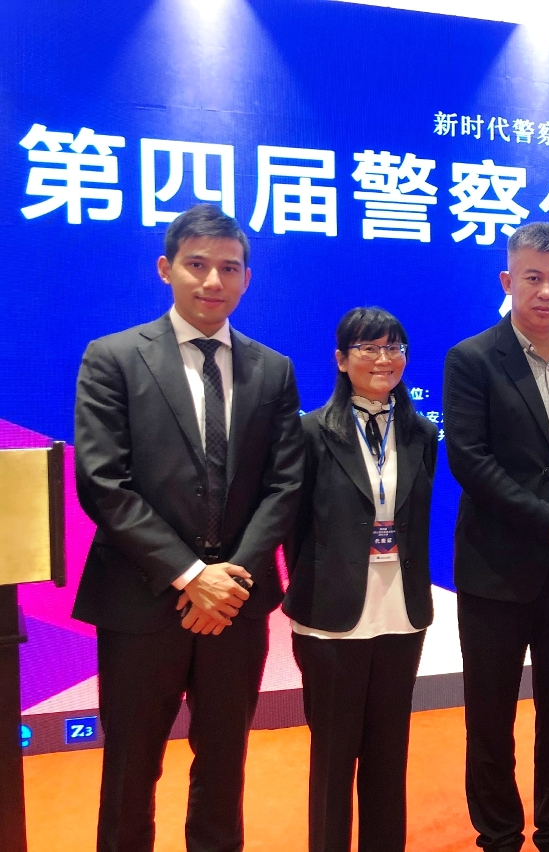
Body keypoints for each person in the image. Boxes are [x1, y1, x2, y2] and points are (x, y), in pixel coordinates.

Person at [72, 203, 304, 852]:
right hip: (142, 600)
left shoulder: (273, 369)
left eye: (229, 268)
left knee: (224, 766)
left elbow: (285, 486)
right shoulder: (113, 358)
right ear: (165, 268)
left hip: (235, 605)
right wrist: (190, 575)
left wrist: (228, 582)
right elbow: (102, 482)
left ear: (247, 278)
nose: (212, 281)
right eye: (196, 264)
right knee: (130, 769)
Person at [443, 222, 549, 852]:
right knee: (490, 716)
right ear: (508, 280)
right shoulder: (472, 358)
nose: (546, 292)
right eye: (533, 278)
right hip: (495, 568)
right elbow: (470, 461)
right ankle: (499, 833)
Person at [284, 306, 438, 852]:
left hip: (401, 611)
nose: (383, 359)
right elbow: (292, 525)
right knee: (333, 758)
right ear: (341, 359)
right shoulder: (310, 432)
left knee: (388, 755)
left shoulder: (422, 433)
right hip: (331, 616)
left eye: (393, 348)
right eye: (368, 348)